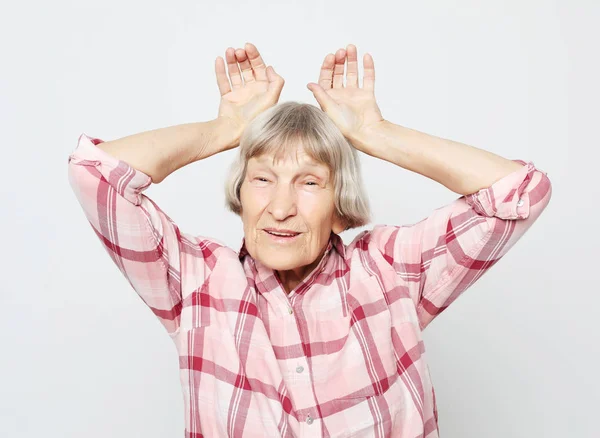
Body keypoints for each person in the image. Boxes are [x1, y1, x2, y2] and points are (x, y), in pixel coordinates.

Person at [68, 42, 552, 437]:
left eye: (309, 182)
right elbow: (96, 173)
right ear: (240, 194)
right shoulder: (196, 279)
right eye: (262, 179)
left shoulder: (390, 270)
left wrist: (376, 134)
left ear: (340, 205)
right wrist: (227, 129)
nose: (280, 208)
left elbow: (518, 192)